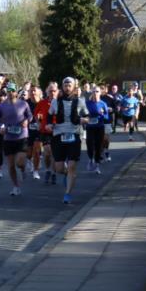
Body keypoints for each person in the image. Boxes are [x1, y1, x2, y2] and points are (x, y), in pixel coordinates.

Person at [48, 77, 90, 205]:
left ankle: (67, 194)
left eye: (69, 85)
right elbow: (49, 117)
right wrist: (49, 125)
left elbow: (87, 117)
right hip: (59, 135)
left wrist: (83, 120)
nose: (67, 87)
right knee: (59, 168)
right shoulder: (55, 102)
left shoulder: (80, 101)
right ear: (62, 86)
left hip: (74, 135)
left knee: (72, 166)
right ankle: (67, 173)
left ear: (73, 87)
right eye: (65, 84)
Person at [0, 82, 33, 195]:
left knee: (19, 162)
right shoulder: (1, 106)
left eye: (13, 91)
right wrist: (0, 127)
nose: (11, 93)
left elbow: (30, 116)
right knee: (11, 165)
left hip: (22, 136)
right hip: (8, 137)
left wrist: (27, 121)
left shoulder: (23, 104)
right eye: (9, 91)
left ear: (16, 92)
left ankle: (23, 168)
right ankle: (16, 186)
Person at [85, 89, 110, 174]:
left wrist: (102, 114)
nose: (95, 93)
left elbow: (107, 117)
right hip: (90, 127)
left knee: (99, 146)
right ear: (92, 93)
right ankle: (90, 159)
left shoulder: (103, 104)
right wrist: (87, 116)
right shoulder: (87, 103)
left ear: (100, 93)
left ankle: (97, 165)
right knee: (90, 143)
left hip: (100, 127)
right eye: (94, 91)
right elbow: (83, 113)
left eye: (97, 91)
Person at [26, 85, 44, 180]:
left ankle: (36, 171)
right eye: (31, 91)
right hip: (28, 131)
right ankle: (29, 160)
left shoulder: (43, 103)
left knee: (36, 151)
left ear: (39, 93)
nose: (33, 93)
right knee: (29, 153)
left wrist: (42, 119)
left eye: (35, 91)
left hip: (39, 130)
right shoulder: (25, 103)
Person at [99, 85, 117, 161]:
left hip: (107, 120)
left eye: (103, 89)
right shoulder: (95, 98)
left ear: (106, 90)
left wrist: (111, 109)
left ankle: (106, 151)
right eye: (100, 89)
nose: (102, 90)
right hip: (98, 121)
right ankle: (100, 153)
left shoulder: (109, 98)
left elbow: (115, 108)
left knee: (106, 138)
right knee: (100, 138)